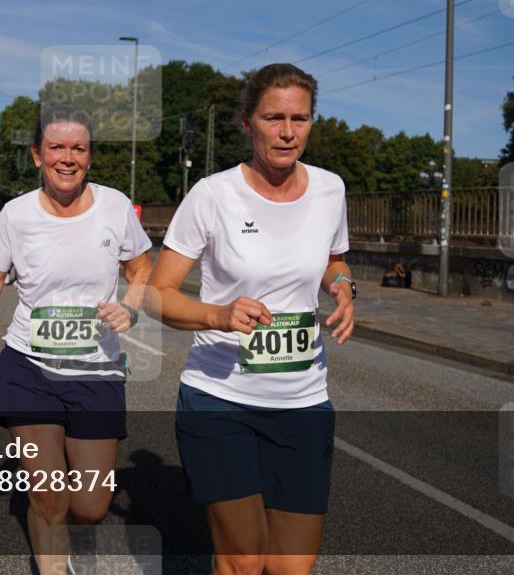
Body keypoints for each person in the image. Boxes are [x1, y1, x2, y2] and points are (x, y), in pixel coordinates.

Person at [144, 64, 356, 575]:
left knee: (290, 568)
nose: (287, 132)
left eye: (300, 119)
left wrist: (344, 286)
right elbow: (155, 295)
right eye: (273, 117)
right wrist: (218, 313)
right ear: (247, 122)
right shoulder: (212, 195)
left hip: (303, 404)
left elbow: (333, 258)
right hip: (221, 399)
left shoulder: (330, 189)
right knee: (242, 559)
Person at [0, 106, 152, 575]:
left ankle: (78, 542)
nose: (67, 158)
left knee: (91, 506)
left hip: (96, 369)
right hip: (29, 365)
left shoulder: (114, 207)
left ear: (89, 157)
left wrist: (129, 305)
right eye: (56, 148)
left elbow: (142, 268)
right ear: (36, 155)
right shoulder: (16, 214)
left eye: (78, 148)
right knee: (49, 494)